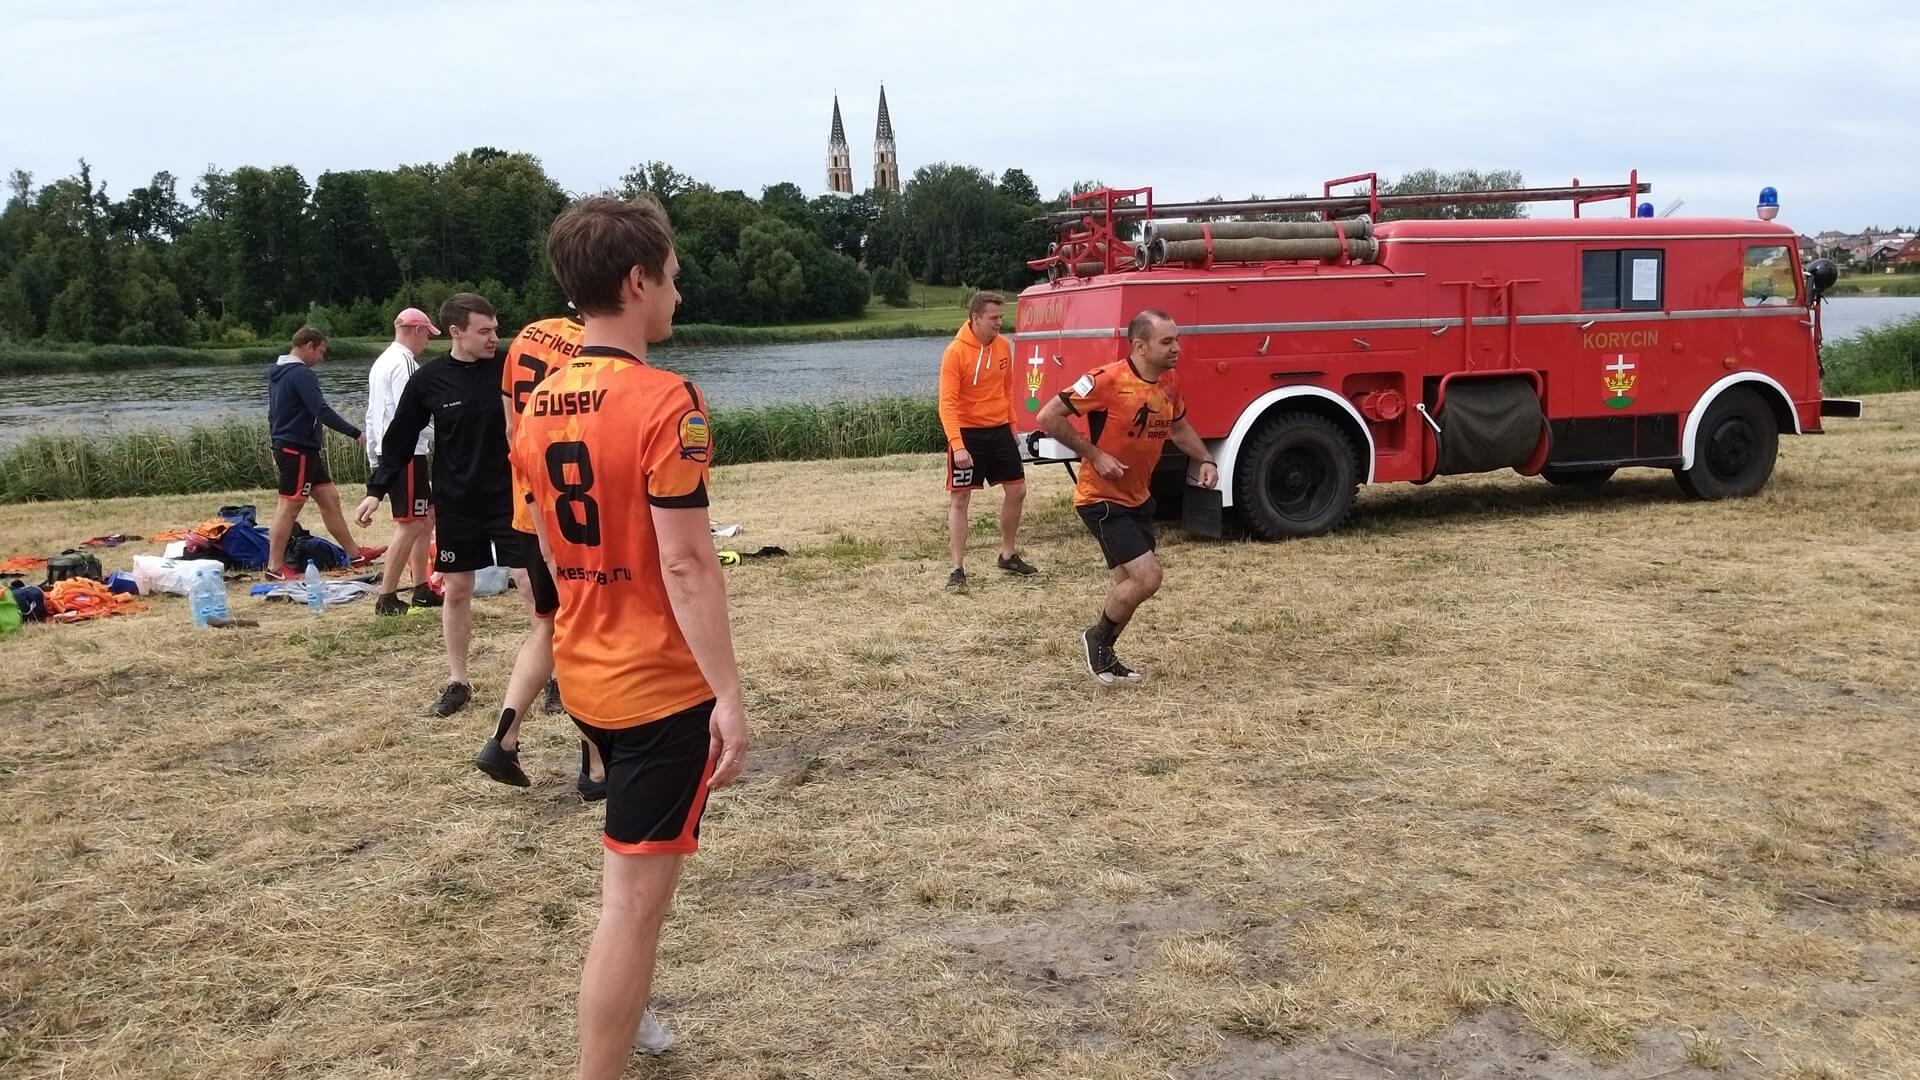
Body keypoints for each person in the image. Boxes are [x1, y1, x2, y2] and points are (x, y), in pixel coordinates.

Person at [512, 194, 747, 1072]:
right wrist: (729, 693)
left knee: (638, 885)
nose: (679, 296)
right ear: (637, 281)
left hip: (586, 669)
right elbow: (686, 562)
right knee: (632, 904)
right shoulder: (666, 400)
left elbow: (542, 543)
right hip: (657, 686)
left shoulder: (539, 401)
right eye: (674, 279)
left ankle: (632, 1012)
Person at [357, 293, 523, 718]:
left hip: (510, 498)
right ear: (456, 332)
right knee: (457, 590)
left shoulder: (510, 367)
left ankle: (556, 676)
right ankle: (458, 682)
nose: (494, 337)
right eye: (484, 331)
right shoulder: (429, 380)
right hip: (457, 502)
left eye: (495, 329)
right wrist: (376, 490)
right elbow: (399, 438)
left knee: (531, 585)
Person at [1034, 309, 1218, 685]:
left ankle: (1106, 655)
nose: (1177, 348)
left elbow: (1179, 427)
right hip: (1100, 499)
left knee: (1128, 586)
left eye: (1177, 339)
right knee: (1148, 578)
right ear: (1139, 346)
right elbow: (1048, 416)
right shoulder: (1105, 380)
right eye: (1167, 341)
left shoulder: (1169, 382)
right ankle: (1096, 639)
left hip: (1138, 498)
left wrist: (1205, 458)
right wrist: (1095, 455)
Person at [472, 308, 609, 800]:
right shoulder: (596, 351)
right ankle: (597, 763)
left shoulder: (529, 336)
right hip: (573, 507)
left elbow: (513, 429)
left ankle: (503, 738)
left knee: (548, 625)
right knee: (584, 630)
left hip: (527, 505)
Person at [265, 326, 384, 579]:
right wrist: (356, 433)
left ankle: (355, 554)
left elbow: (273, 414)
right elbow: (321, 410)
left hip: (303, 448)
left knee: (329, 499)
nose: (321, 358)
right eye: (320, 352)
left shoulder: (279, 372)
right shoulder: (301, 374)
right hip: (296, 449)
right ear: (308, 346)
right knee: (288, 507)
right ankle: (274, 568)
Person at [938, 290, 1036, 590]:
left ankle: (1007, 555)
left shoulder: (1004, 346)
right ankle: (957, 568)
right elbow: (946, 404)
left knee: (1017, 490)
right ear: (975, 318)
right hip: (968, 433)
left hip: (1000, 430)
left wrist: (1013, 427)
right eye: (994, 318)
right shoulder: (955, 352)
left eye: (1001, 317)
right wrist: (958, 445)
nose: (999, 323)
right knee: (960, 498)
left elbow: (1007, 391)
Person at [364, 307, 443, 616]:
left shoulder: (381, 362)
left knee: (426, 518)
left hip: (392, 451)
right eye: (427, 335)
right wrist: (447, 433)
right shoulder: (405, 363)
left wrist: (374, 456)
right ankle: (387, 596)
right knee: (410, 524)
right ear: (417, 330)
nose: (428, 342)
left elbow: (373, 415)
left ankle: (421, 588)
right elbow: (410, 413)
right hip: (408, 452)